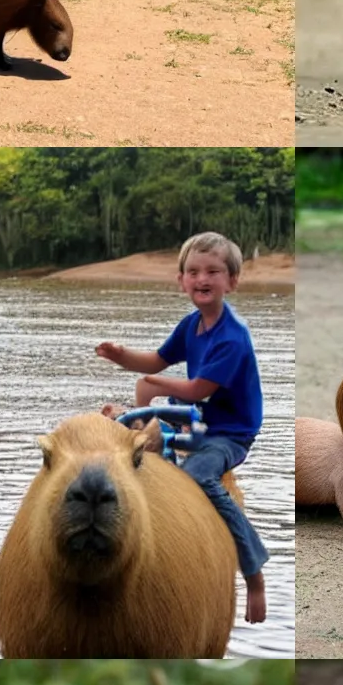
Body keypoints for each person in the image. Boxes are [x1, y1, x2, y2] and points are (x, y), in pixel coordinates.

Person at [96, 232, 269, 625]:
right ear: (181, 281)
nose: (202, 278)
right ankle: (139, 422)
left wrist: (154, 389)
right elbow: (156, 361)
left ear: (232, 281)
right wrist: (123, 356)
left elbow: (198, 388)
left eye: (213, 271)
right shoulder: (191, 325)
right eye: (193, 271)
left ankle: (254, 572)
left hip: (228, 432)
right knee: (128, 435)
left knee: (199, 475)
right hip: (193, 414)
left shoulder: (233, 338)